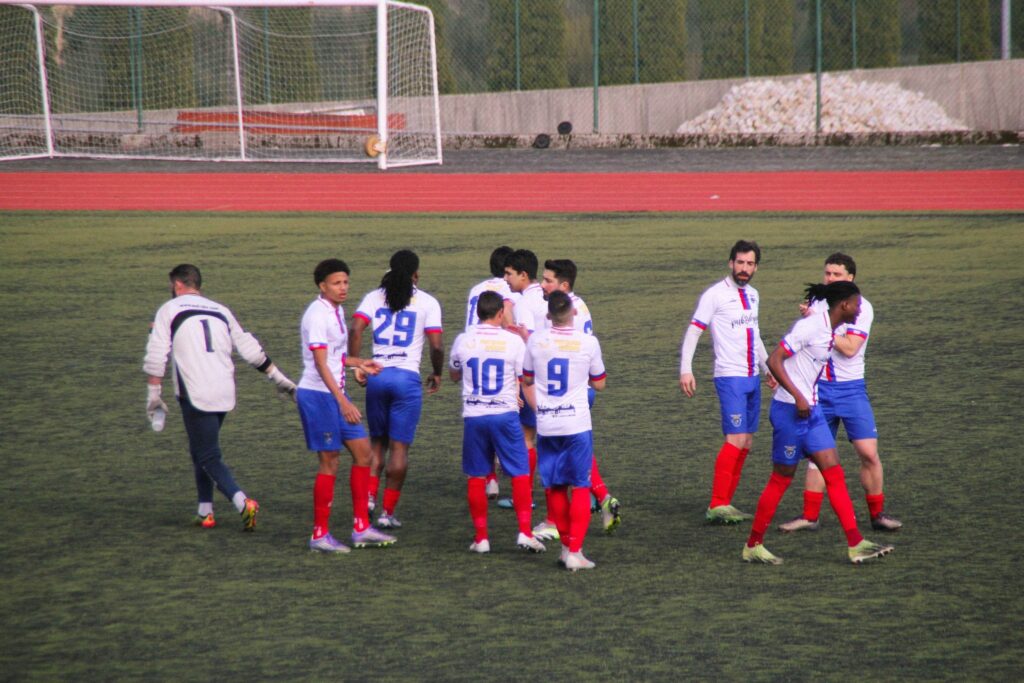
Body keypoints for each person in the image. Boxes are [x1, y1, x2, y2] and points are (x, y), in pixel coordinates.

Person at [743, 280, 894, 565]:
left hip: (811, 415)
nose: (860, 310)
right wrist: (798, 396)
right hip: (790, 413)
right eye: (857, 305)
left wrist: (807, 400)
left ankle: (856, 543)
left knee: (834, 473)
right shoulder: (811, 328)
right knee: (781, 479)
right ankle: (753, 544)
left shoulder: (829, 331)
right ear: (844, 305)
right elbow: (775, 359)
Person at [143, 263, 296, 531]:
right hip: (224, 388)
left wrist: (153, 393)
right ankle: (205, 511)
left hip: (195, 390)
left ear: (178, 285)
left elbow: (157, 353)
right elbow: (251, 350)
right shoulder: (221, 310)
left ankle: (242, 502)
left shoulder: (169, 309)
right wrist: (279, 378)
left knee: (208, 454)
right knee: (200, 448)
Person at [778, 253, 902, 533]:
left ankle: (877, 514)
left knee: (868, 453)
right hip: (818, 389)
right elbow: (800, 342)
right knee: (816, 455)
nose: (830, 279)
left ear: (851, 278)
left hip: (851, 390)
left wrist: (819, 325)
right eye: (827, 273)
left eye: (836, 274)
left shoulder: (862, 308)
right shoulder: (817, 304)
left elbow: (850, 348)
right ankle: (809, 516)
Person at [296, 258, 395, 553]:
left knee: (364, 454)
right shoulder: (317, 315)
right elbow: (320, 363)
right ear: (322, 285)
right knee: (330, 461)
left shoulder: (335, 311)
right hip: (319, 397)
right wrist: (342, 402)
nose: (343, 288)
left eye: (346, 282)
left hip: (334, 395)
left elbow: (336, 356)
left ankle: (361, 527)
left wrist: (358, 362)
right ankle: (319, 534)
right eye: (337, 283)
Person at [679, 240, 775, 524]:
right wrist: (686, 369)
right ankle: (717, 504)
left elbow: (754, 335)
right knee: (734, 438)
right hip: (729, 376)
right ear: (730, 263)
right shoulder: (715, 295)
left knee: (746, 441)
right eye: (740, 263)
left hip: (752, 377)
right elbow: (694, 331)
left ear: (756, 266)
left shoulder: (754, 295)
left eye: (750, 264)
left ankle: (726, 504)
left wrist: (768, 368)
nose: (744, 269)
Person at [350, 250, 444, 529]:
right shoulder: (427, 301)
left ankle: (368, 499)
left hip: (377, 375)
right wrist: (437, 373)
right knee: (400, 448)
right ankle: (387, 513)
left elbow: (356, 330)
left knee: (377, 443)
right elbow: (437, 345)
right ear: (416, 274)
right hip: (406, 379)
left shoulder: (374, 296)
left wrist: (356, 365)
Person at [449, 291, 545, 554]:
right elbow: (524, 378)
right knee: (519, 472)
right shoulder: (512, 342)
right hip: (504, 414)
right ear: (501, 313)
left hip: (475, 416)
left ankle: (481, 539)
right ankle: (525, 532)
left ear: (477, 312)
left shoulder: (463, 340)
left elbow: (454, 374)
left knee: (476, 476)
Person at [533, 258, 621, 538]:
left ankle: (553, 523)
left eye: (547, 280)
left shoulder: (560, 313)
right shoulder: (579, 305)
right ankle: (604, 497)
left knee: (561, 469)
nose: (542, 285)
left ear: (564, 285)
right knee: (578, 451)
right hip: (580, 392)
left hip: (565, 393)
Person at [523, 290, 608, 571]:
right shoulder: (588, 342)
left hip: (548, 424)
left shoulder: (535, 340)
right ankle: (575, 551)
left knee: (555, 486)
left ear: (548, 316)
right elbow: (599, 384)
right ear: (573, 313)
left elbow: (527, 380)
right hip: (577, 424)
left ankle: (564, 548)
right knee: (581, 485)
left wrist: (540, 410)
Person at [464, 246, 517, 500]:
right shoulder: (506, 289)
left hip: (471, 352)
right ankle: (503, 474)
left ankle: (490, 478)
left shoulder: (476, 289)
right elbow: (508, 321)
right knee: (500, 413)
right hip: (497, 352)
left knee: (479, 415)